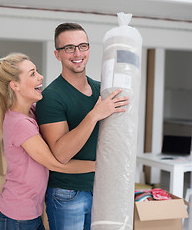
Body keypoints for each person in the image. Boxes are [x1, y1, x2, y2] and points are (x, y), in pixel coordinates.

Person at [0, 53, 96, 230]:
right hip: (17, 218)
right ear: (15, 85)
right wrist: (100, 165)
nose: (40, 77)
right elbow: (55, 164)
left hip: (29, 214)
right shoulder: (20, 123)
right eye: (32, 73)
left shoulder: (31, 112)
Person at [36, 22, 130, 229]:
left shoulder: (102, 90)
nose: (77, 53)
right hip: (68, 193)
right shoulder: (51, 97)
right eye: (69, 48)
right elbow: (61, 154)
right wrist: (94, 114)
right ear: (57, 54)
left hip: (102, 188)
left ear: (89, 49)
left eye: (83, 46)